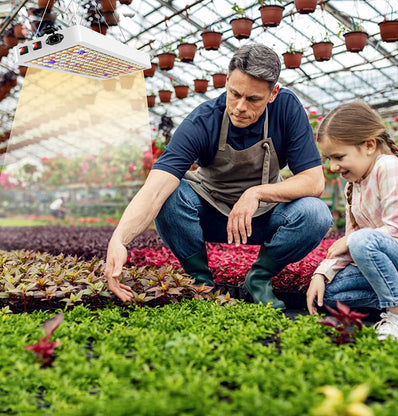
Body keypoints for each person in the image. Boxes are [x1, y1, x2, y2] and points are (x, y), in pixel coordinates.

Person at [105, 43, 333, 309]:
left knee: (316, 213)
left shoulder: (286, 109)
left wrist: (256, 193)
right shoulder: (203, 120)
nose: (239, 107)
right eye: (234, 93)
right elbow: (156, 187)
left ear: (273, 94)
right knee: (169, 195)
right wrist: (119, 239)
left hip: (263, 216)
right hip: (209, 214)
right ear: (226, 81)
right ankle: (201, 282)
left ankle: (259, 279)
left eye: (253, 99)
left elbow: (314, 181)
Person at [306, 101, 398, 345]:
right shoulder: (353, 185)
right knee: (332, 294)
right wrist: (321, 274)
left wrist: (352, 240)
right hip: (391, 271)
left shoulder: (387, 167)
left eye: (338, 157)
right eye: (328, 158)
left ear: (368, 145)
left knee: (362, 241)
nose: (332, 167)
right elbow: (351, 243)